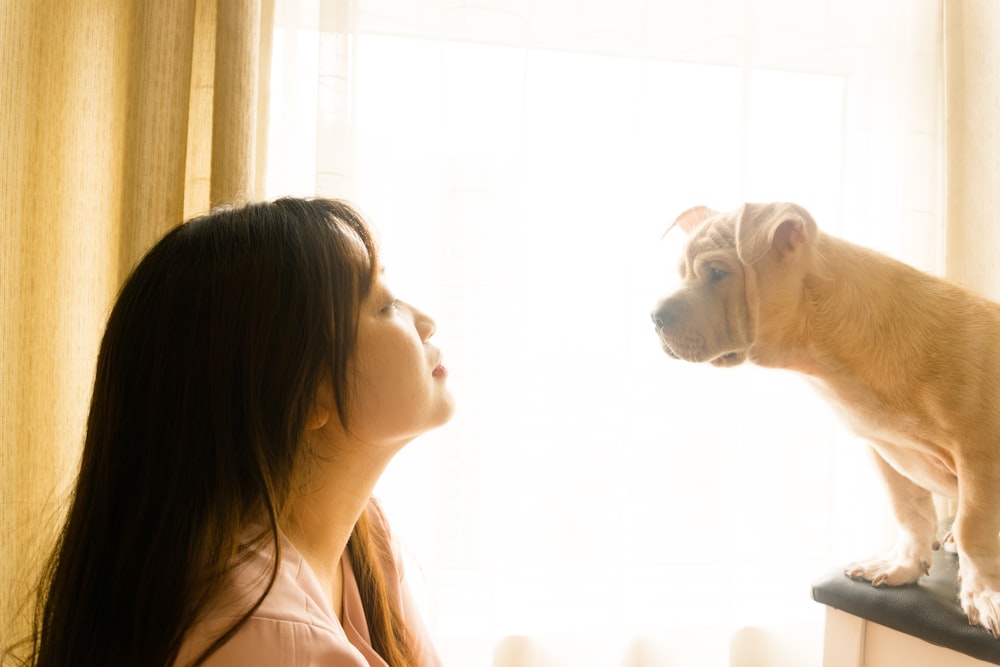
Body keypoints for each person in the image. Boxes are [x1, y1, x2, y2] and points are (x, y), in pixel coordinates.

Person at [18, 197, 454, 666]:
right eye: (386, 305)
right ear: (307, 394)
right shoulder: (270, 641)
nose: (426, 324)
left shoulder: (366, 544)